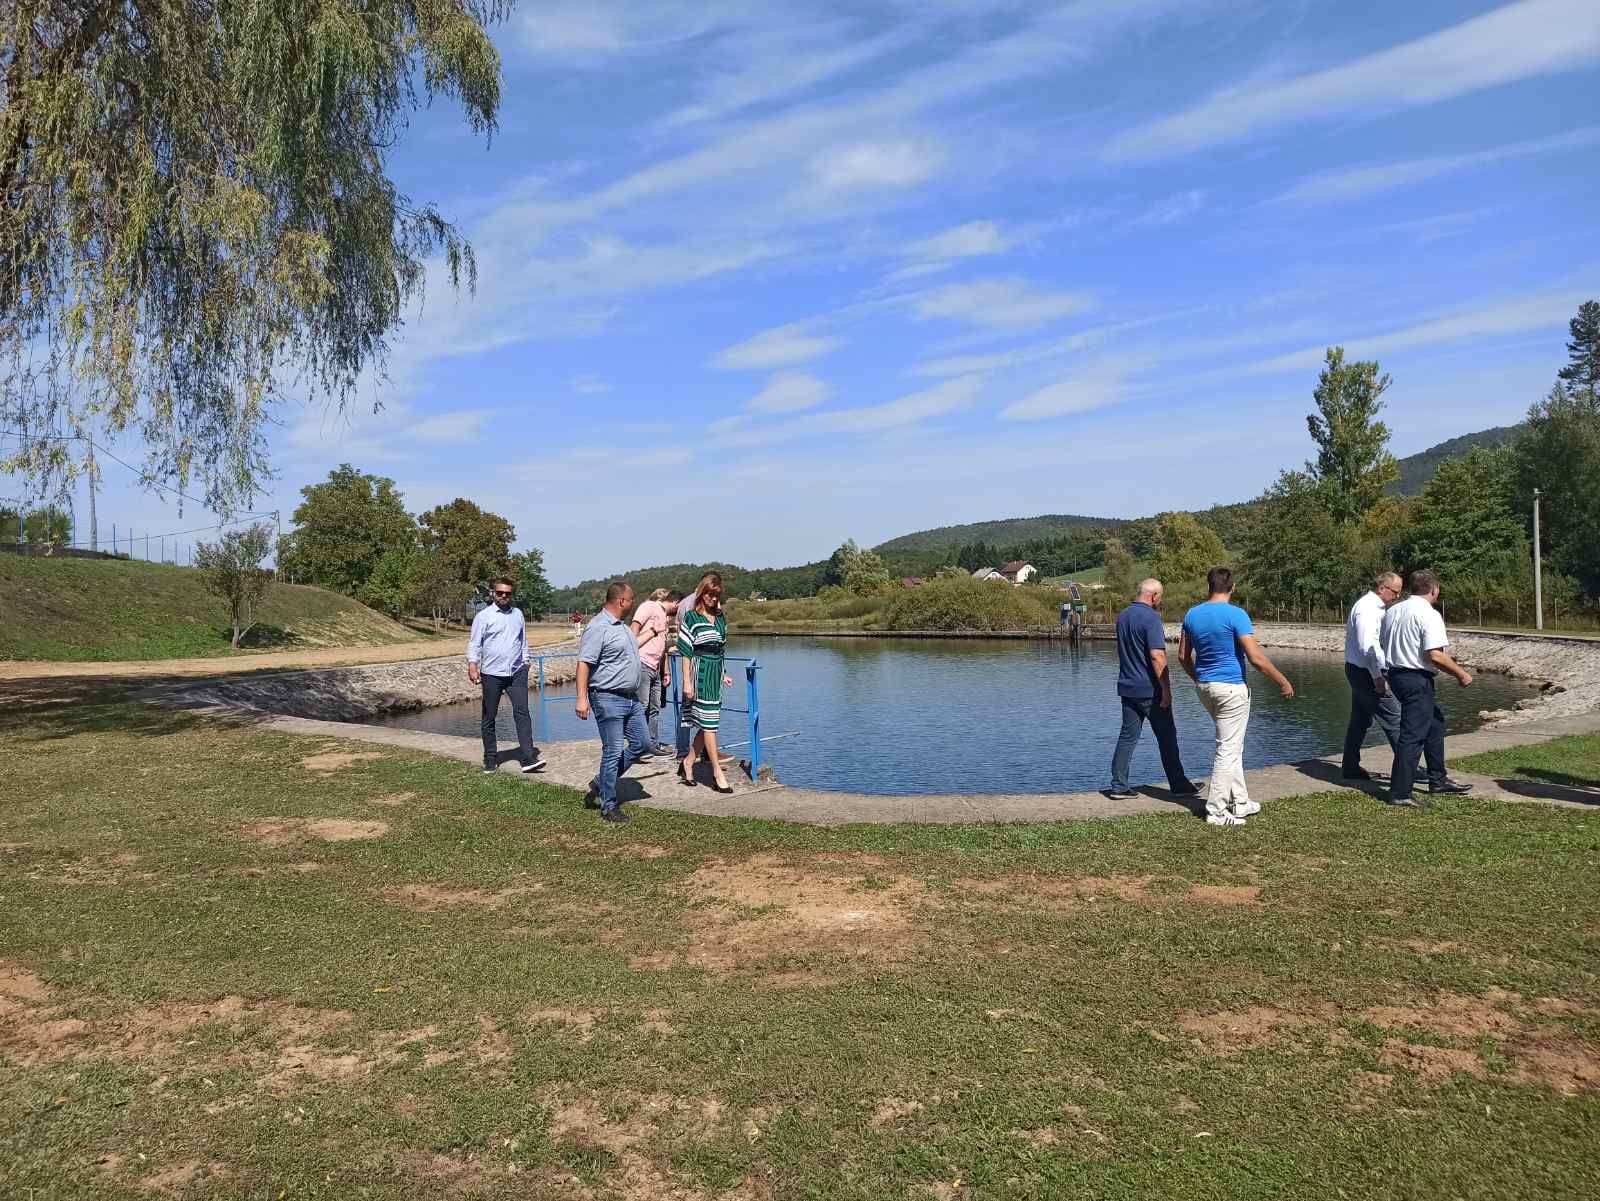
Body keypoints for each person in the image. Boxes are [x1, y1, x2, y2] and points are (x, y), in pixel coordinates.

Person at [1179, 567, 1294, 827]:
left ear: (1209, 586)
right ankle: (1216, 811)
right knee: (1227, 750)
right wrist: (1283, 681)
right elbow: (1255, 657)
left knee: (1232, 746)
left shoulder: (1192, 614)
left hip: (1205, 687)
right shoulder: (1236, 614)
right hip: (1231, 689)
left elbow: (1183, 657)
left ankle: (1240, 802)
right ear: (1233, 587)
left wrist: (1198, 679)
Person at [1378, 569, 1474, 807]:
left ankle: (1438, 779)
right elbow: (1435, 656)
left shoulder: (1393, 610)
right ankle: (1400, 792)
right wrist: (1461, 674)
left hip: (1396, 674)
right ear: (1434, 590)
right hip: (1415, 678)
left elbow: (1384, 643)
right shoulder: (1429, 614)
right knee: (1412, 736)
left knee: (1435, 724)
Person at [1107, 578, 1198, 800]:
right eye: (1160, 596)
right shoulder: (1151, 618)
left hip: (1127, 687)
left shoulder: (1123, 616)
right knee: (1167, 738)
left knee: (1127, 738)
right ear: (1154, 596)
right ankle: (1179, 785)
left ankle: (1119, 786)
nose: (1160, 600)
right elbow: (1157, 655)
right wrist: (1166, 689)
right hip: (1150, 690)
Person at [575, 581, 650, 822]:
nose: (633, 603)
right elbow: (584, 663)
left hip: (631, 699)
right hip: (607, 698)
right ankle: (608, 806)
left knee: (642, 743)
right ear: (621, 601)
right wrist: (581, 698)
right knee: (613, 751)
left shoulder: (623, 627)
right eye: (631, 599)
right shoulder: (598, 627)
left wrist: (654, 634)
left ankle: (600, 782)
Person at [466, 576, 545, 776]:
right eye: (500, 592)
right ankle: (490, 758)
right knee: (489, 716)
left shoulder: (518, 614)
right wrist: (472, 665)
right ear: (494, 593)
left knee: (522, 713)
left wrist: (526, 661)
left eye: (507, 593)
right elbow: (475, 643)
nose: (503, 596)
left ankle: (528, 758)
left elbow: (523, 640)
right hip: (491, 674)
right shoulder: (483, 616)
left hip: (516, 673)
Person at [1341, 571, 1404, 781]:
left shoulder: (1370, 606)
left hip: (1359, 670)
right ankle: (1408, 767)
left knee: (1359, 721)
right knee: (1395, 719)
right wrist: (1378, 677)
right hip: (1367, 673)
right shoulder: (1368, 609)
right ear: (1381, 588)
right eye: (1395, 591)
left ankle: (1350, 766)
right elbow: (1367, 647)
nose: (1397, 596)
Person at [677, 573, 735, 794]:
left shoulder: (720, 617)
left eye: (717, 595)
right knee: (710, 724)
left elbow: (721, 649)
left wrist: (724, 673)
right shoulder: (691, 618)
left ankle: (688, 762)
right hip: (699, 672)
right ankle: (717, 772)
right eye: (710, 594)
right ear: (702, 593)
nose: (713, 598)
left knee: (707, 723)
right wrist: (687, 682)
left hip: (715, 674)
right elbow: (686, 652)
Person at [630, 588, 681, 755]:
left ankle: (652, 744)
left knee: (654, 708)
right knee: (642, 706)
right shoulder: (649, 606)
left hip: (655, 668)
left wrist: (666, 671)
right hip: (643, 663)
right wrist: (630, 652)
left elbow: (662, 647)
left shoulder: (663, 616)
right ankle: (638, 746)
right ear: (676, 603)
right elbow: (634, 627)